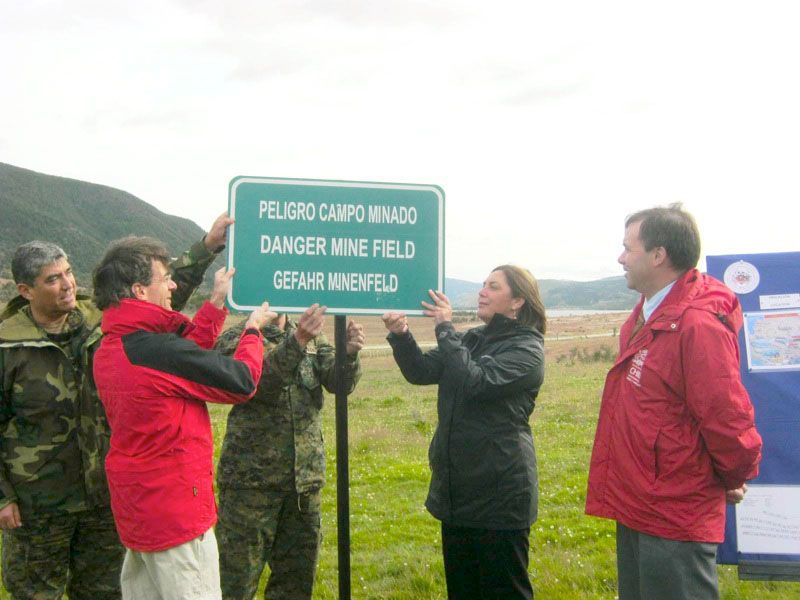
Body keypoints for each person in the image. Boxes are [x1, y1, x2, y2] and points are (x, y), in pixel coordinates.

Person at [0, 215, 232, 599]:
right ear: (25, 290)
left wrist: (206, 247)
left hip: (104, 496)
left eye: (69, 272)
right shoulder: (7, 347)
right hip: (38, 503)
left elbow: (157, 292)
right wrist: (3, 497)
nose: (68, 285)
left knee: (106, 592)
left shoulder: (100, 319)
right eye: (52, 279)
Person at [585, 204, 763, 600]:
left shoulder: (697, 324)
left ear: (659, 255)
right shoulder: (645, 313)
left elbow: (726, 415)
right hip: (637, 501)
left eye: (628, 247)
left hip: (674, 510)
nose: (620, 257)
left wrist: (733, 475)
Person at [91, 235, 275, 600]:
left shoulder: (112, 345)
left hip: (140, 514)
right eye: (165, 278)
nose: (174, 284)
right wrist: (253, 331)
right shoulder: (156, 350)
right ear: (140, 290)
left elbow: (183, 360)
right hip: (177, 519)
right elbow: (241, 382)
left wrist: (216, 303)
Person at [383, 266, 546, 599]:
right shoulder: (472, 338)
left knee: (505, 593)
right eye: (483, 285)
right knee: (463, 592)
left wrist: (444, 326)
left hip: (501, 496)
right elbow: (420, 370)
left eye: (493, 287)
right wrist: (401, 335)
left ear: (517, 301)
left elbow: (475, 381)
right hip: (460, 493)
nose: (482, 291)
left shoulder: (527, 350)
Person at [214, 304, 364, 599]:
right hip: (250, 486)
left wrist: (348, 353)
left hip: (303, 485)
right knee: (235, 583)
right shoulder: (239, 337)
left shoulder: (312, 336)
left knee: (296, 584)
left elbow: (339, 383)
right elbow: (256, 384)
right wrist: (297, 344)